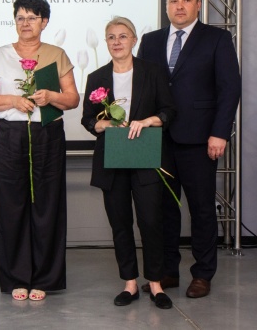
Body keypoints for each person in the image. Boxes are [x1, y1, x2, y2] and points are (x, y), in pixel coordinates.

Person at [137, 0, 242, 298]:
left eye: (186, 0)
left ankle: (203, 274)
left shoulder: (217, 39)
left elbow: (229, 89)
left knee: (201, 209)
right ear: (166, 5)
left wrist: (220, 133)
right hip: (158, 139)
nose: (179, 6)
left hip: (200, 139)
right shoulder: (151, 40)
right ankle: (168, 271)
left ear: (198, 5)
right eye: (173, 0)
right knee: (164, 210)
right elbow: (142, 87)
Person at [0, 0, 79, 301]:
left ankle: (45, 279)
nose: (25, 23)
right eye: (20, 17)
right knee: (12, 204)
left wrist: (51, 97)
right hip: (11, 135)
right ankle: (16, 277)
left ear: (44, 22)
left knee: (48, 204)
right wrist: (12, 100)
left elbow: (72, 99)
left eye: (32, 18)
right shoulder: (0, 55)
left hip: (48, 133)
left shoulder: (56, 54)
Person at [81, 16, 176, 309]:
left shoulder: (152, 71)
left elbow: (169, 110)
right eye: (111, 37)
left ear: (134, 40)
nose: (117, 42)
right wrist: (105, 124)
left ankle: (156, 284)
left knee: (151, 221)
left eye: (123, 36)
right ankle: (130, 283)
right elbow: (87, 120)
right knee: (120, 223)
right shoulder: (96, 77)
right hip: (112, 159)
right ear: (106, 42)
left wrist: (149, 121)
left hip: (146, 156)